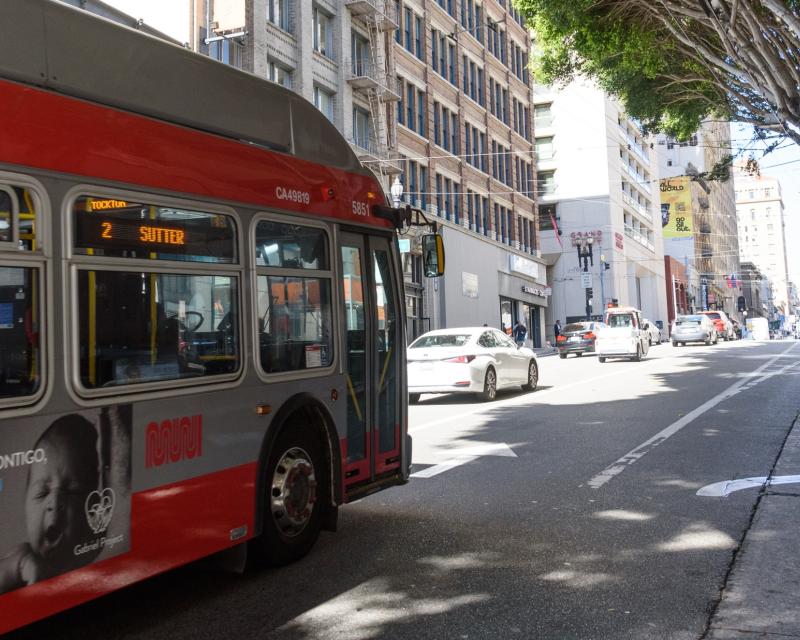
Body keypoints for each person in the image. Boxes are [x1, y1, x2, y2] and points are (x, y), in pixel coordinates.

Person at [0, 415, 102, 594]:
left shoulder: (98, 553)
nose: (54, 503)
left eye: (73, 491)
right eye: (41, 493)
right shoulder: (19, 560)